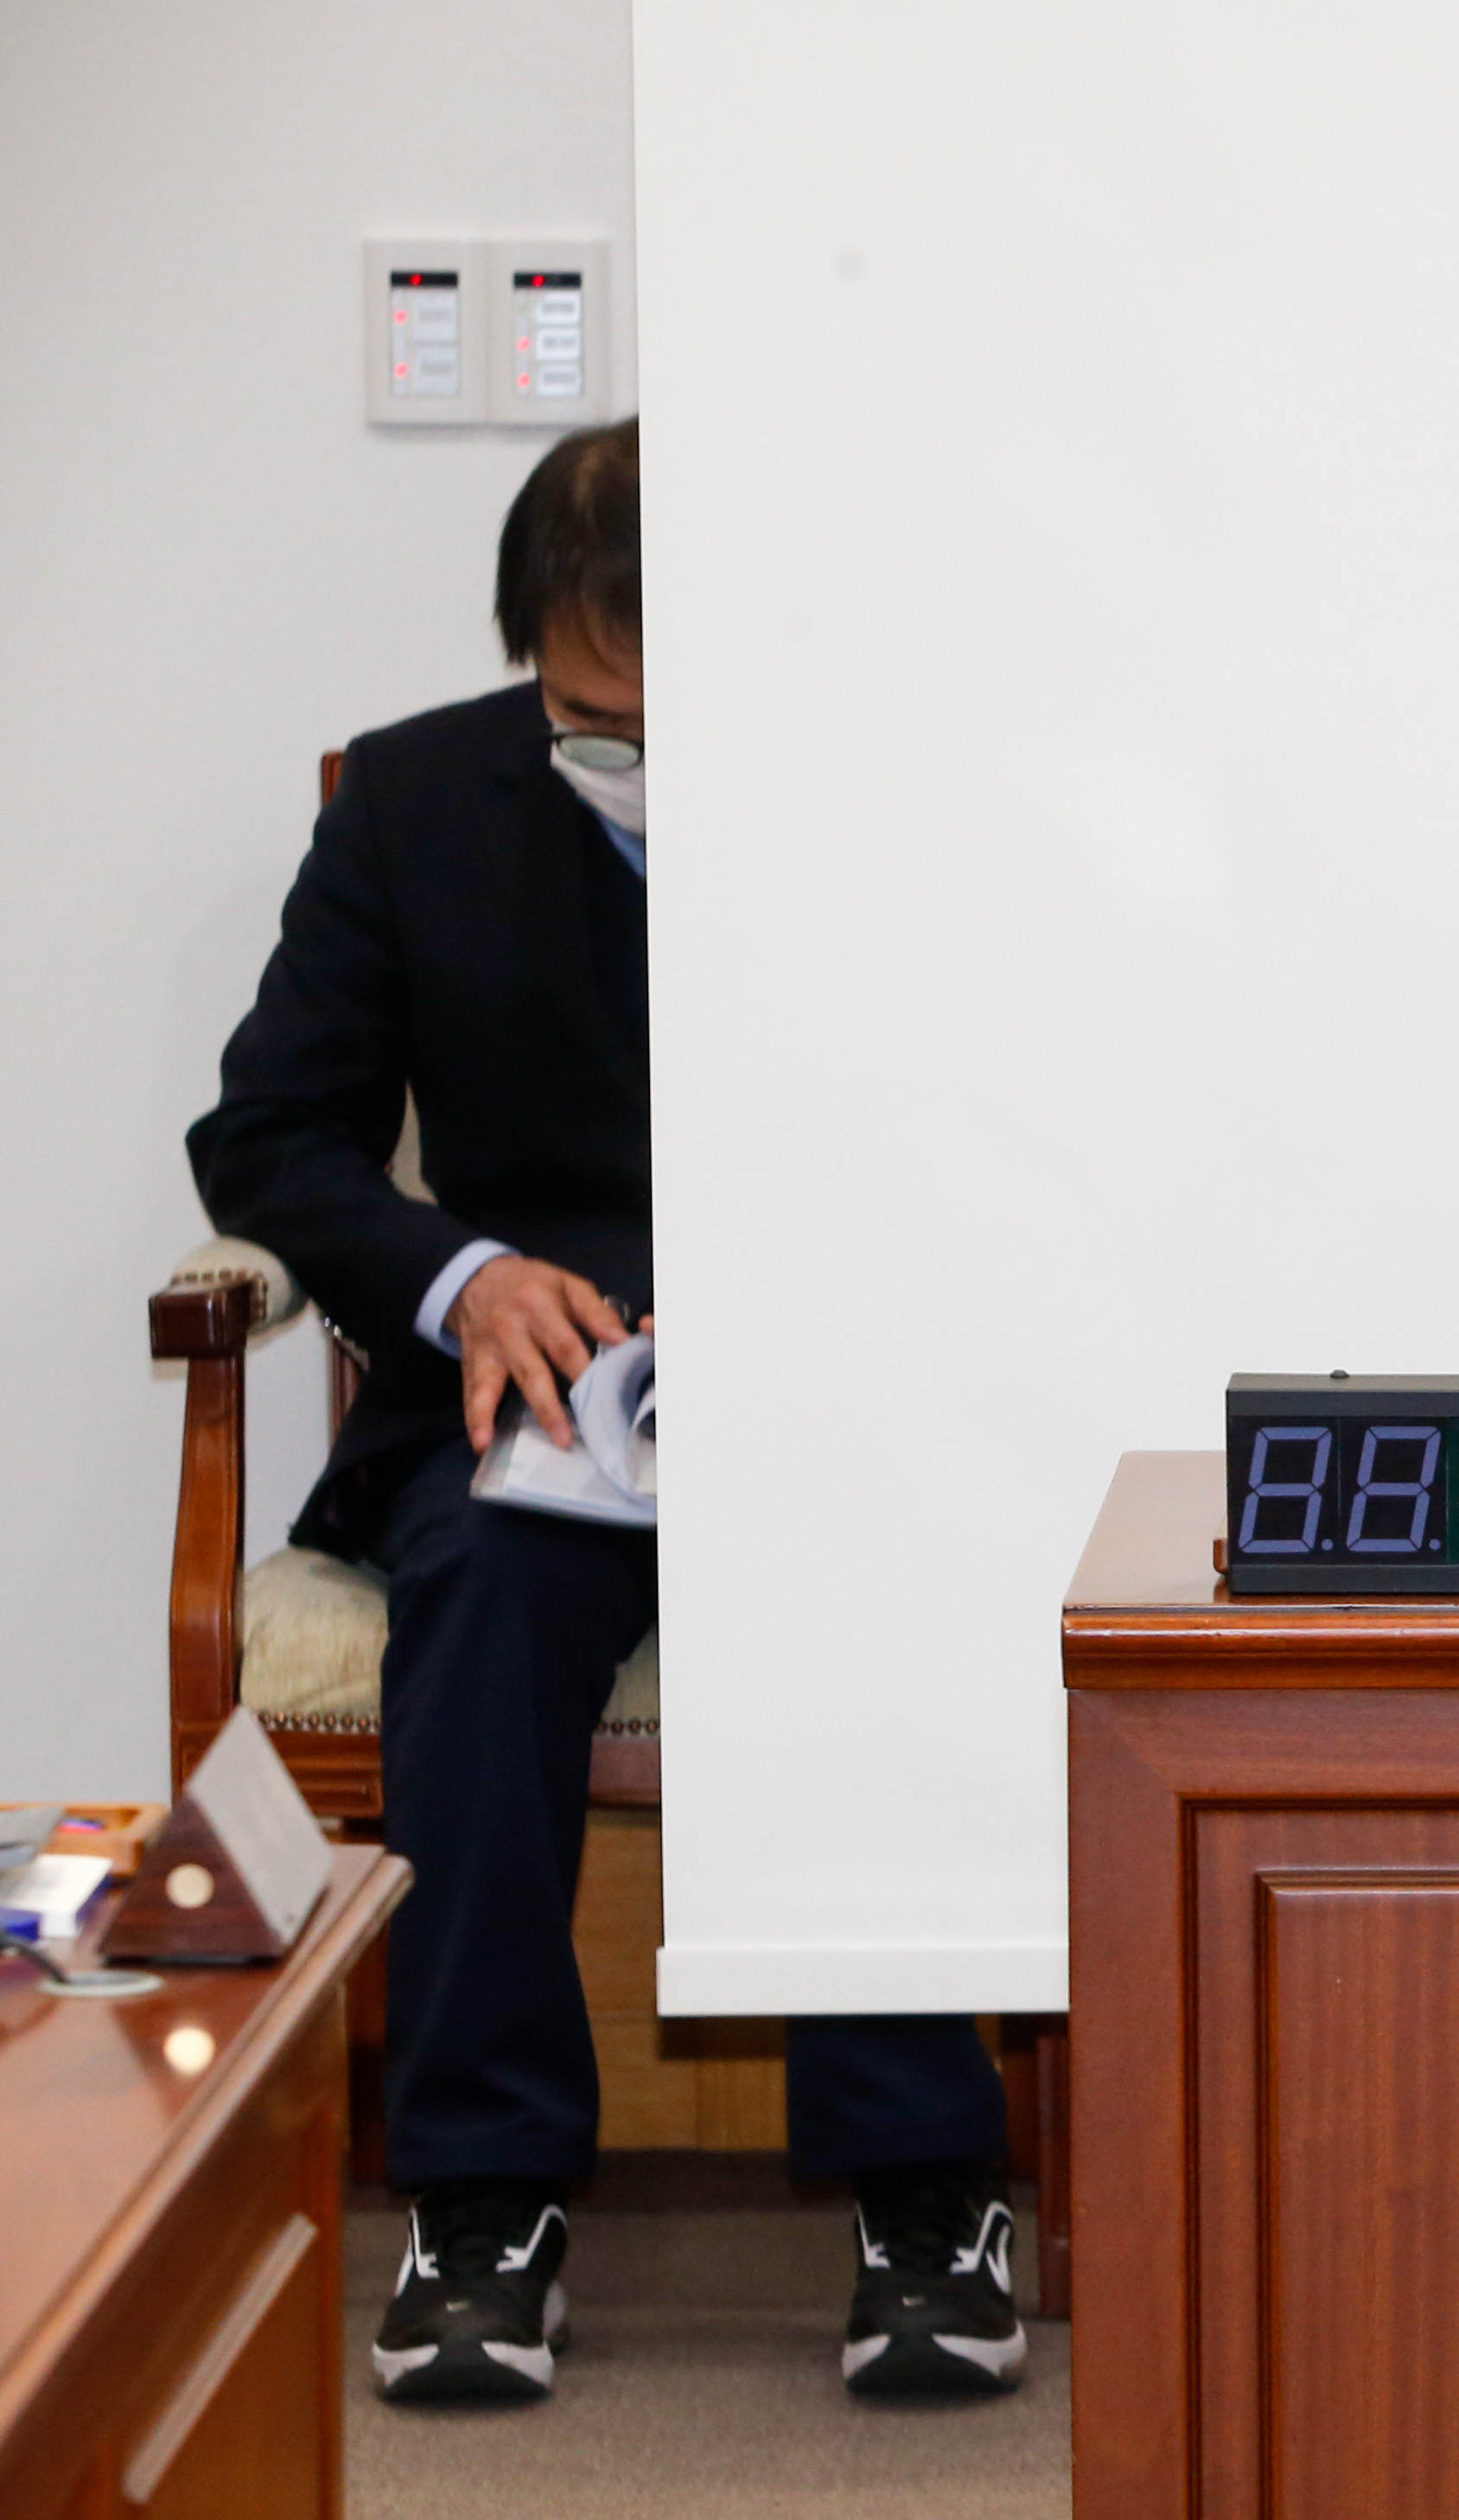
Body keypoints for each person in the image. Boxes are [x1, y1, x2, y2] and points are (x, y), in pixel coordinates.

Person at [185, 421, 1024, 2408]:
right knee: (482, 1585)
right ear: (533, 659)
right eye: (587, 716)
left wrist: (838, 1299)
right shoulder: (409, 804)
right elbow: (271, 1135)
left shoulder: (904, 799)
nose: (625, 746)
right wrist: (462, 1275)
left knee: (843, 1583)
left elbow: (1010, 1115)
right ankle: (483, 2199)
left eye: (667, 718)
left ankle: (926, 2187)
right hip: (527, 1406)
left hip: (818, 1400)